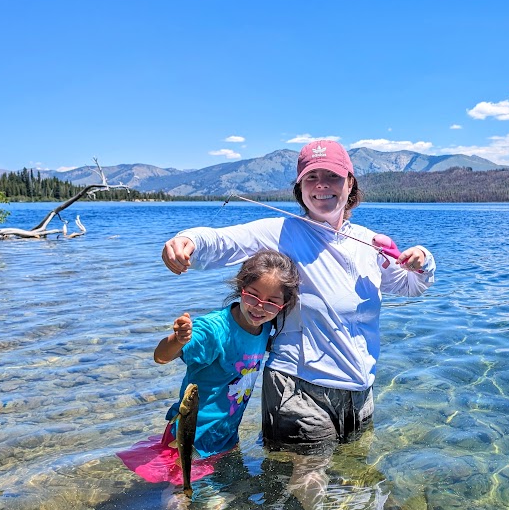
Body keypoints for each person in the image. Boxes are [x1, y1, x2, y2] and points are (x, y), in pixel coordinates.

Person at [161, 139, 436, 453]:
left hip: (359, 392)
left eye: (332, 176)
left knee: (356, 479)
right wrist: (186, 241)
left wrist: (422, 260)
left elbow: (411, 285)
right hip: (298, 390)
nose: (322, 186)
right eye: (311, 177)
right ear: (300, 188)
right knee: (303, 490)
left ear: (350, 184)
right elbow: (222, 241)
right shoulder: (281, 232)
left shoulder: (369, 242)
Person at [118, 249, 300, 487]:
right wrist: (179, 340)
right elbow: (160, 357)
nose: (259, 307)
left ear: (284, 305)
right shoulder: (213, 330)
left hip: (225, 435)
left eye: (271, 303)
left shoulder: (265, 326)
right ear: (240, 288)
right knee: (180, 493)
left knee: (223, 490)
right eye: (252, 296)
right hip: (191, 436)